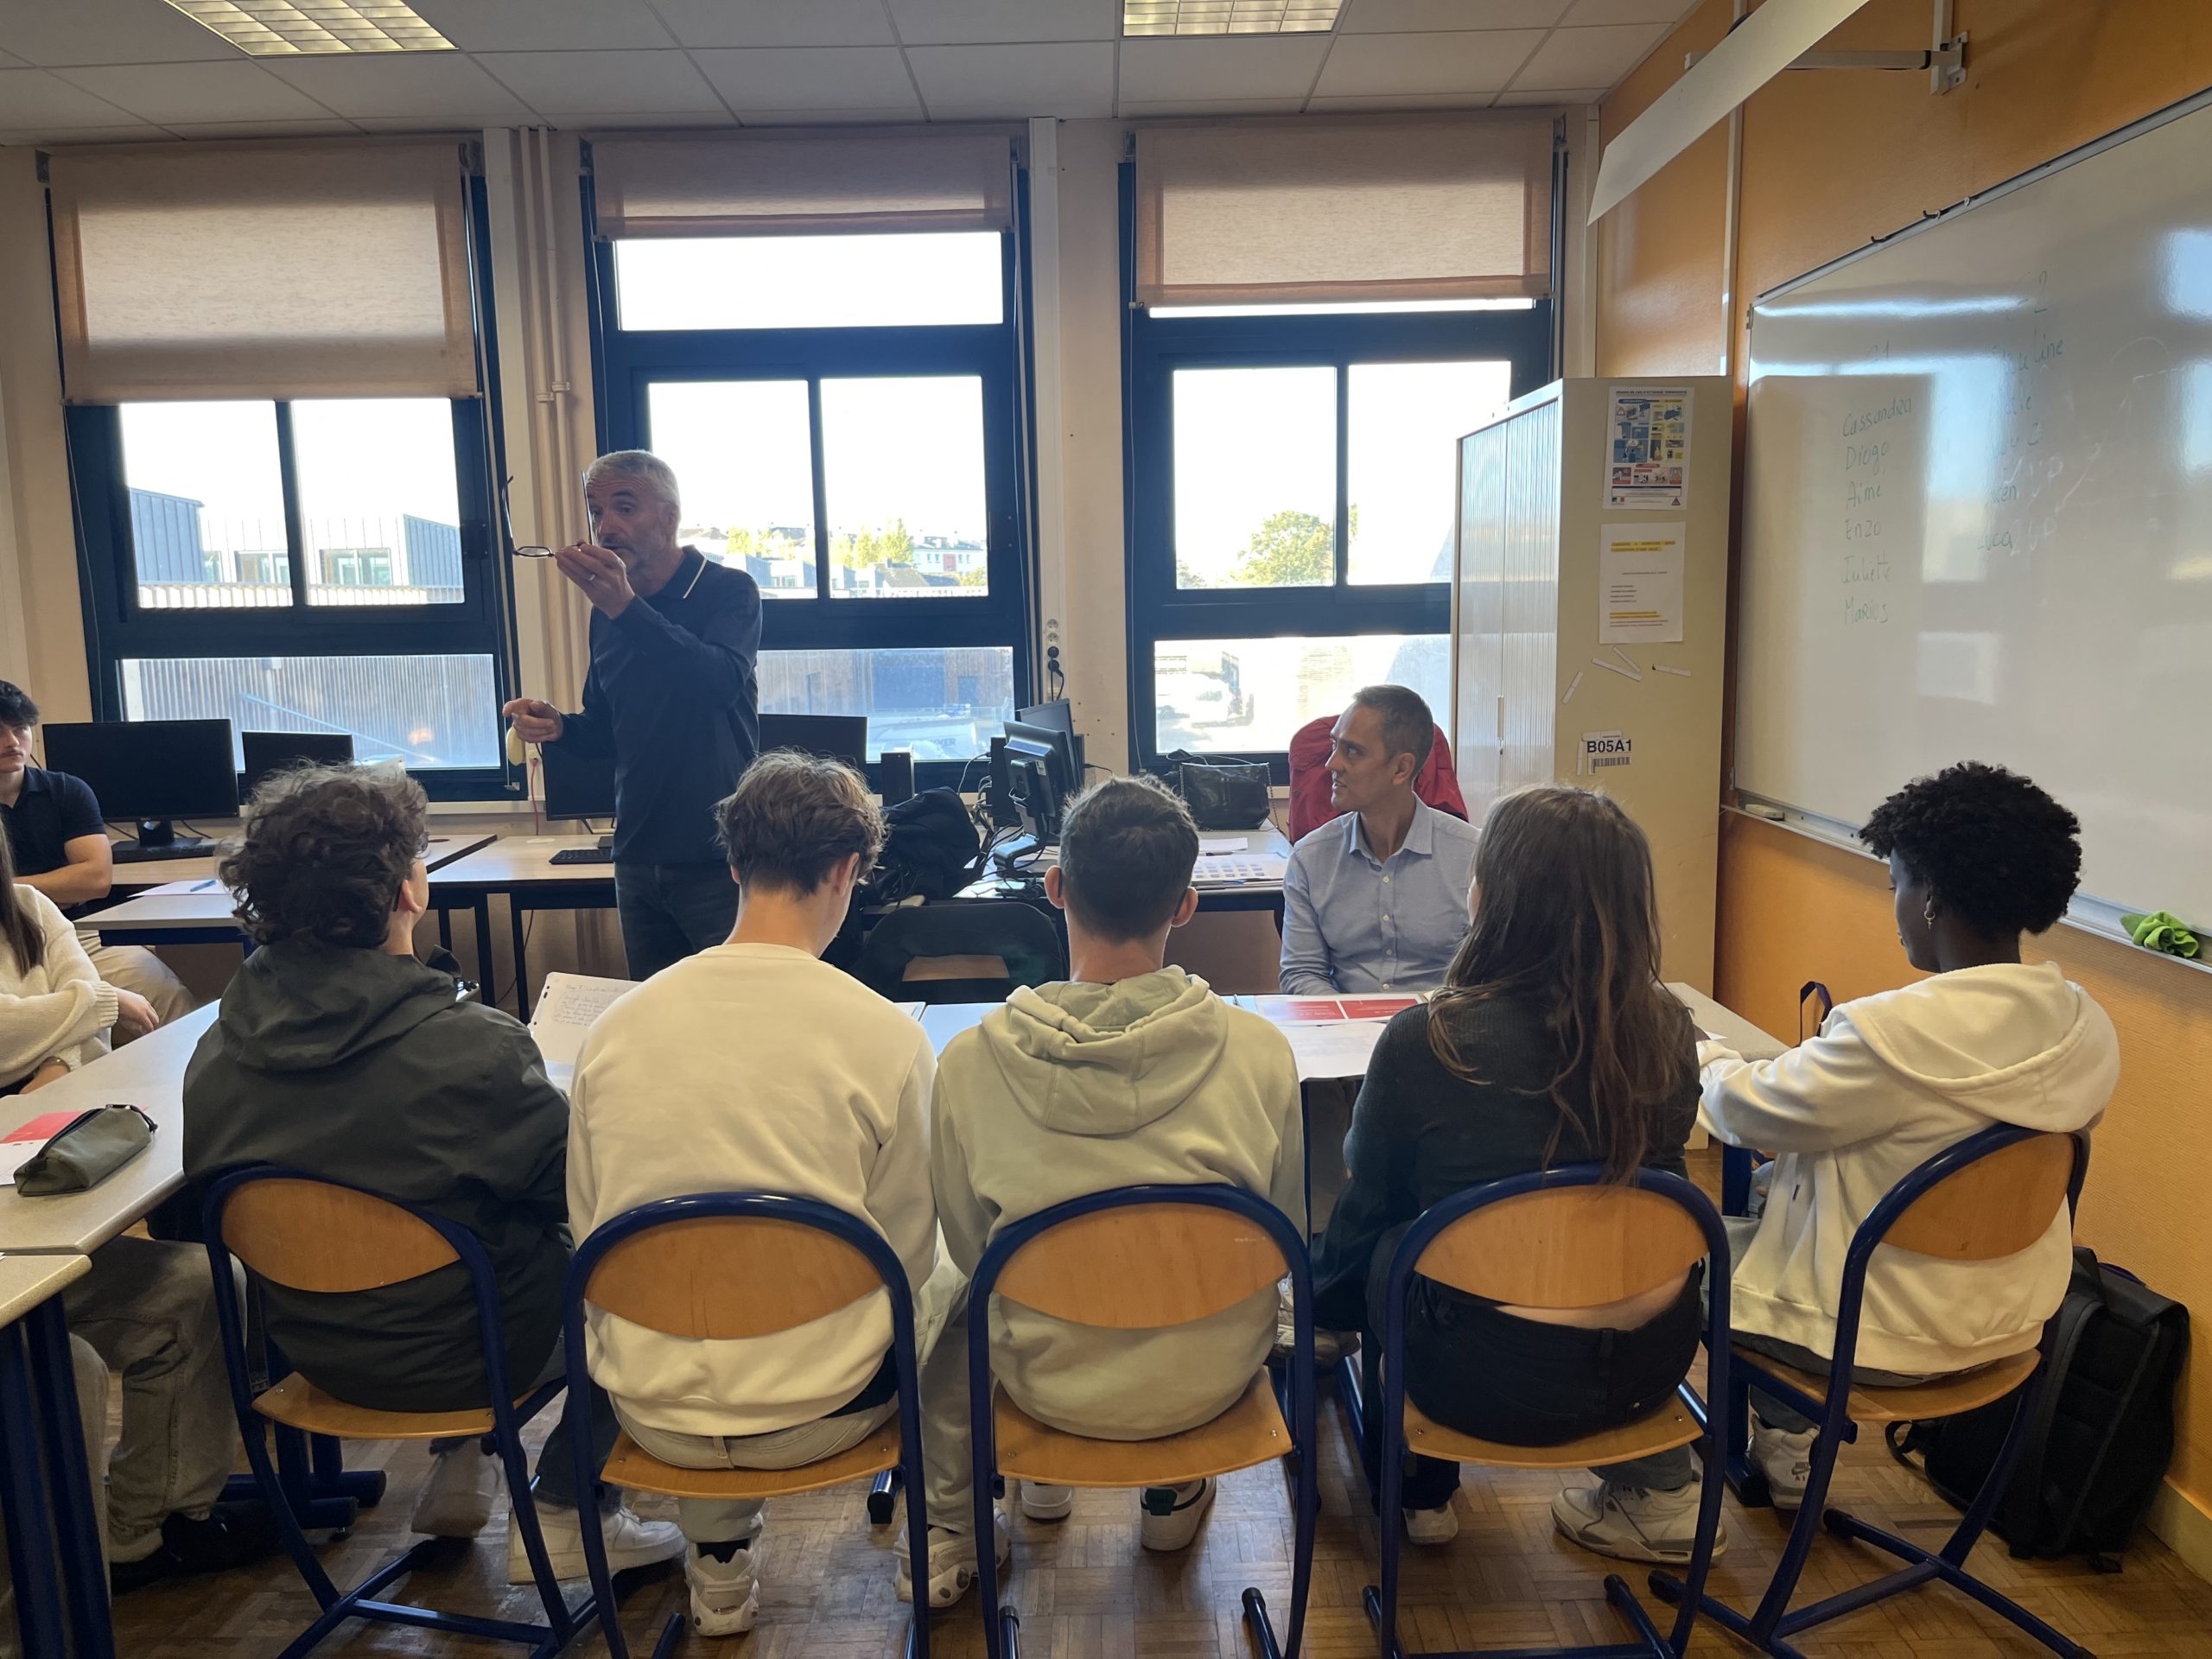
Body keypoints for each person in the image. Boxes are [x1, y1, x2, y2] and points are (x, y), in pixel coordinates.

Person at [180, 765, 682, 1585]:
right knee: (626, 1252)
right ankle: (570, 1508)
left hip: (312, 1351)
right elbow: (585, 1195)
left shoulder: (215, 1049)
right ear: (409, 889)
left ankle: (461, 1467)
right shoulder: (472, 1049)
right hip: (475, 1353)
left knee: (447, 1217)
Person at [567, 752, 980, 1636]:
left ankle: (717, 1564)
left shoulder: (613, 1031)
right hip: (824, 1406)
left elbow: (590, 1230)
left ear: (732, 865)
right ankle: (942, 1533)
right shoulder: (885, 1036)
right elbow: (907, 1258)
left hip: (651, 1408)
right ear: (845, 871)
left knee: (685, 1259)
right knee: (961, 1263)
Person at [1672, 761, 2117, 1520]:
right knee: (1780, 1204)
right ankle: (1787, 1450)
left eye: (1897, 886)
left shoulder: (1885, 1037)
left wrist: (1702, 1050)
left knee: (1665, 1267)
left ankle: (1653, 1493)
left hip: (1871, 1332)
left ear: (1933, 896)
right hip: (2011, 1325)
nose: (1897, 910)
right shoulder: (2085, 1026)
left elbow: (1745, 1113)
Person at [1314, 784, 1713, 1555]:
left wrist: (1324, 1300)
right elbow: (1666, 1186)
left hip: (1477, 1373)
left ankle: (1423, 1493)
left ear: (1491, 896)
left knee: (1394, 1241)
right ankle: (1658, 1486)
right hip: (1650, 1365)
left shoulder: (1427, 1039)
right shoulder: (1669, 1029)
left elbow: (1371, 1197)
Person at [928, 776, 1304, 1560]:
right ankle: (1173, 1493)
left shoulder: (967, 1063)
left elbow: (969, 1248)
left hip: (1047, 1379)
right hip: (1211, 1378)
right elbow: (1286, 1236)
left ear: (1055, 888)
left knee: (961, 1287)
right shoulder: (1263, 1054)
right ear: (1186, 906)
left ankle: (1017, 1489)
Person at [0, 831, 271, 1592]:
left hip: (34, 1184)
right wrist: (87, 1010)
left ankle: (148, 1531)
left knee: (200, 1282)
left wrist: (53, 1066)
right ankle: (53, 1595)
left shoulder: (26, 906)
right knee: (67, 1365)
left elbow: (92, 1026)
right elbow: (93, 1003)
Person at [503, 452, 761, 981]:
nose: (606, 527)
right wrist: (559, 726)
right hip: (637, 856)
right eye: (596, 511)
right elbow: (605, 729)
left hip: (719, 857)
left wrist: (626, 607)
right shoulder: (608, 613)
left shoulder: (728, 590)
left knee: (733, 1007)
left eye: (624, 507)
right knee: (652, 1012)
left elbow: (717, 683)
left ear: (668, 518)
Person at [0, 680, 194, 1031]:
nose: (13, 741)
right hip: (4, 944)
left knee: (164, 996)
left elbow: (94, 880)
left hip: (76, 933)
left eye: (20, 728)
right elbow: (76, 879)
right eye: (0, 732)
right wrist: (57, 886)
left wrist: (10, 889)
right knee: (34, 1022)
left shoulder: (66, 791)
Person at [1279, 685, 1478, 998]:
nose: (1331, 764)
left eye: (1352, 751)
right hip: (1343, 1022)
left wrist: (1420, 1021)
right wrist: (1351, 1021)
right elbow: (1301, 972)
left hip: (1442, 1022)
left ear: (1401, 768)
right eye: (1334, 745)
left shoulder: (1474, 857)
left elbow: (1490, 978)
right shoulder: (1310, 857)